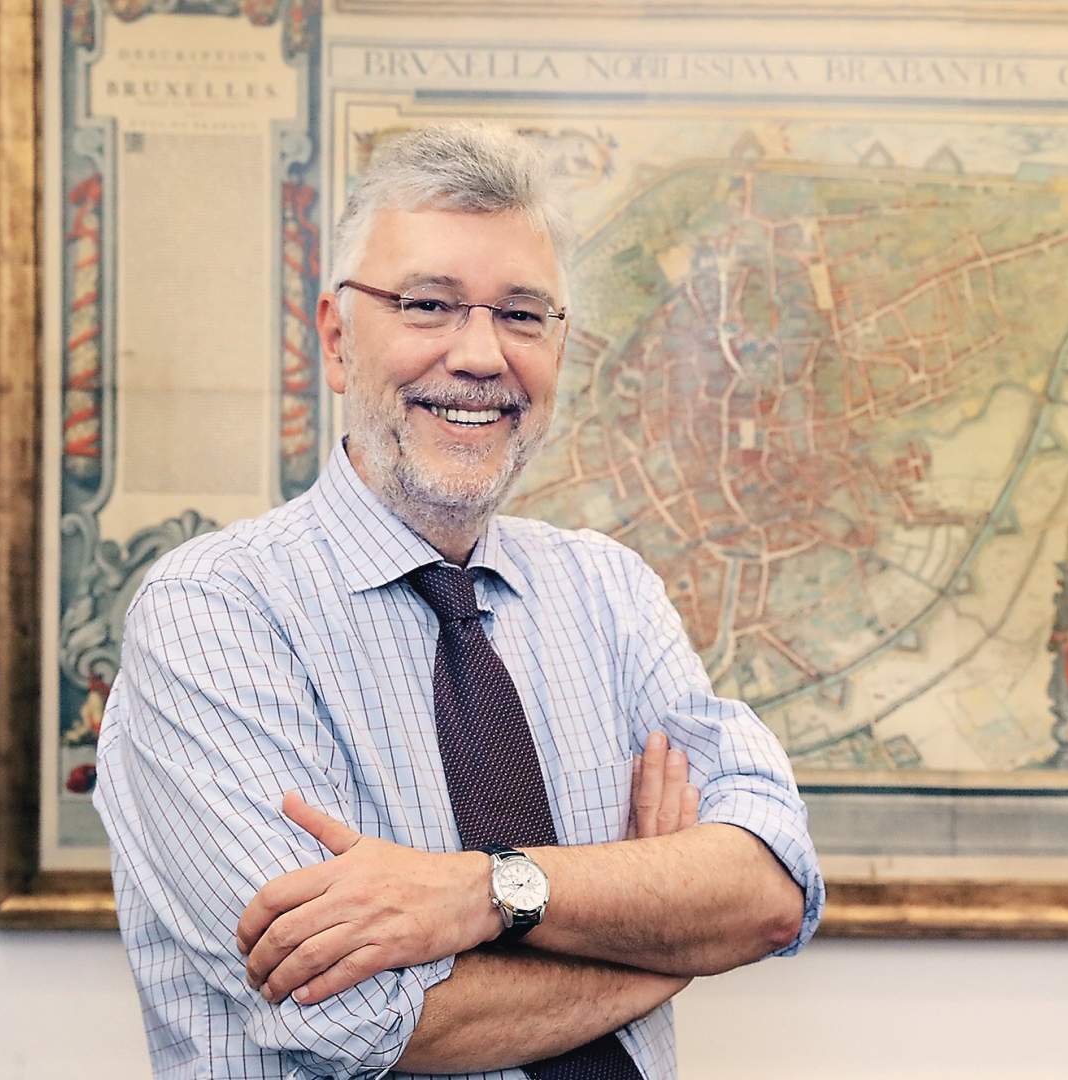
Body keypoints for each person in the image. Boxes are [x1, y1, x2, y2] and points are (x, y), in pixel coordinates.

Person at [95, 123, 823, 1079]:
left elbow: (770, 889)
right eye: (428, 305)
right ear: (337, 338)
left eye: (522, 314)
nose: (481, 355)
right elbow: (356, 1020)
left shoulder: (609, 592)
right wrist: (664, 940)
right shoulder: (214, 614)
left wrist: (483, 893)